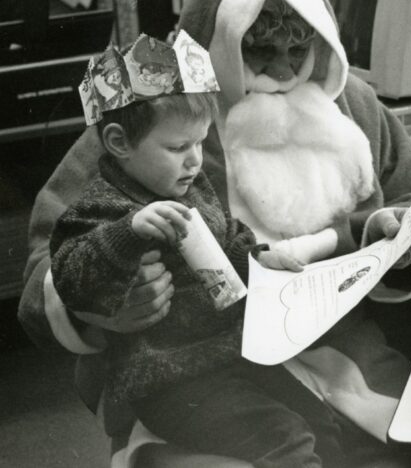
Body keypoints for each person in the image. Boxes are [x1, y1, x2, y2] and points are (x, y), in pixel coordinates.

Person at [18, 0, 411, 468]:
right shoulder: (161, 112)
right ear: (216, 38)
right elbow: (46, 261)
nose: (279, 69)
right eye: (257, 50)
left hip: (343, 350)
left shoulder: (356, 107)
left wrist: (396, 238)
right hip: (188, 364)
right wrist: (104, 305)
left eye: (298, 50)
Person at [52, 33, 349, 467]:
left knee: (320, 423)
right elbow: (71, 276)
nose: (194, 160)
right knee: (284, 441)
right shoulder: (102, 207)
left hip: (233, 354)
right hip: (169, 379)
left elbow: (227, 238)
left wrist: (258, 256)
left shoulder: (189, 184)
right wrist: (127, 232)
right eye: (177, 148)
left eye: (199, 143)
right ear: (119, 143)